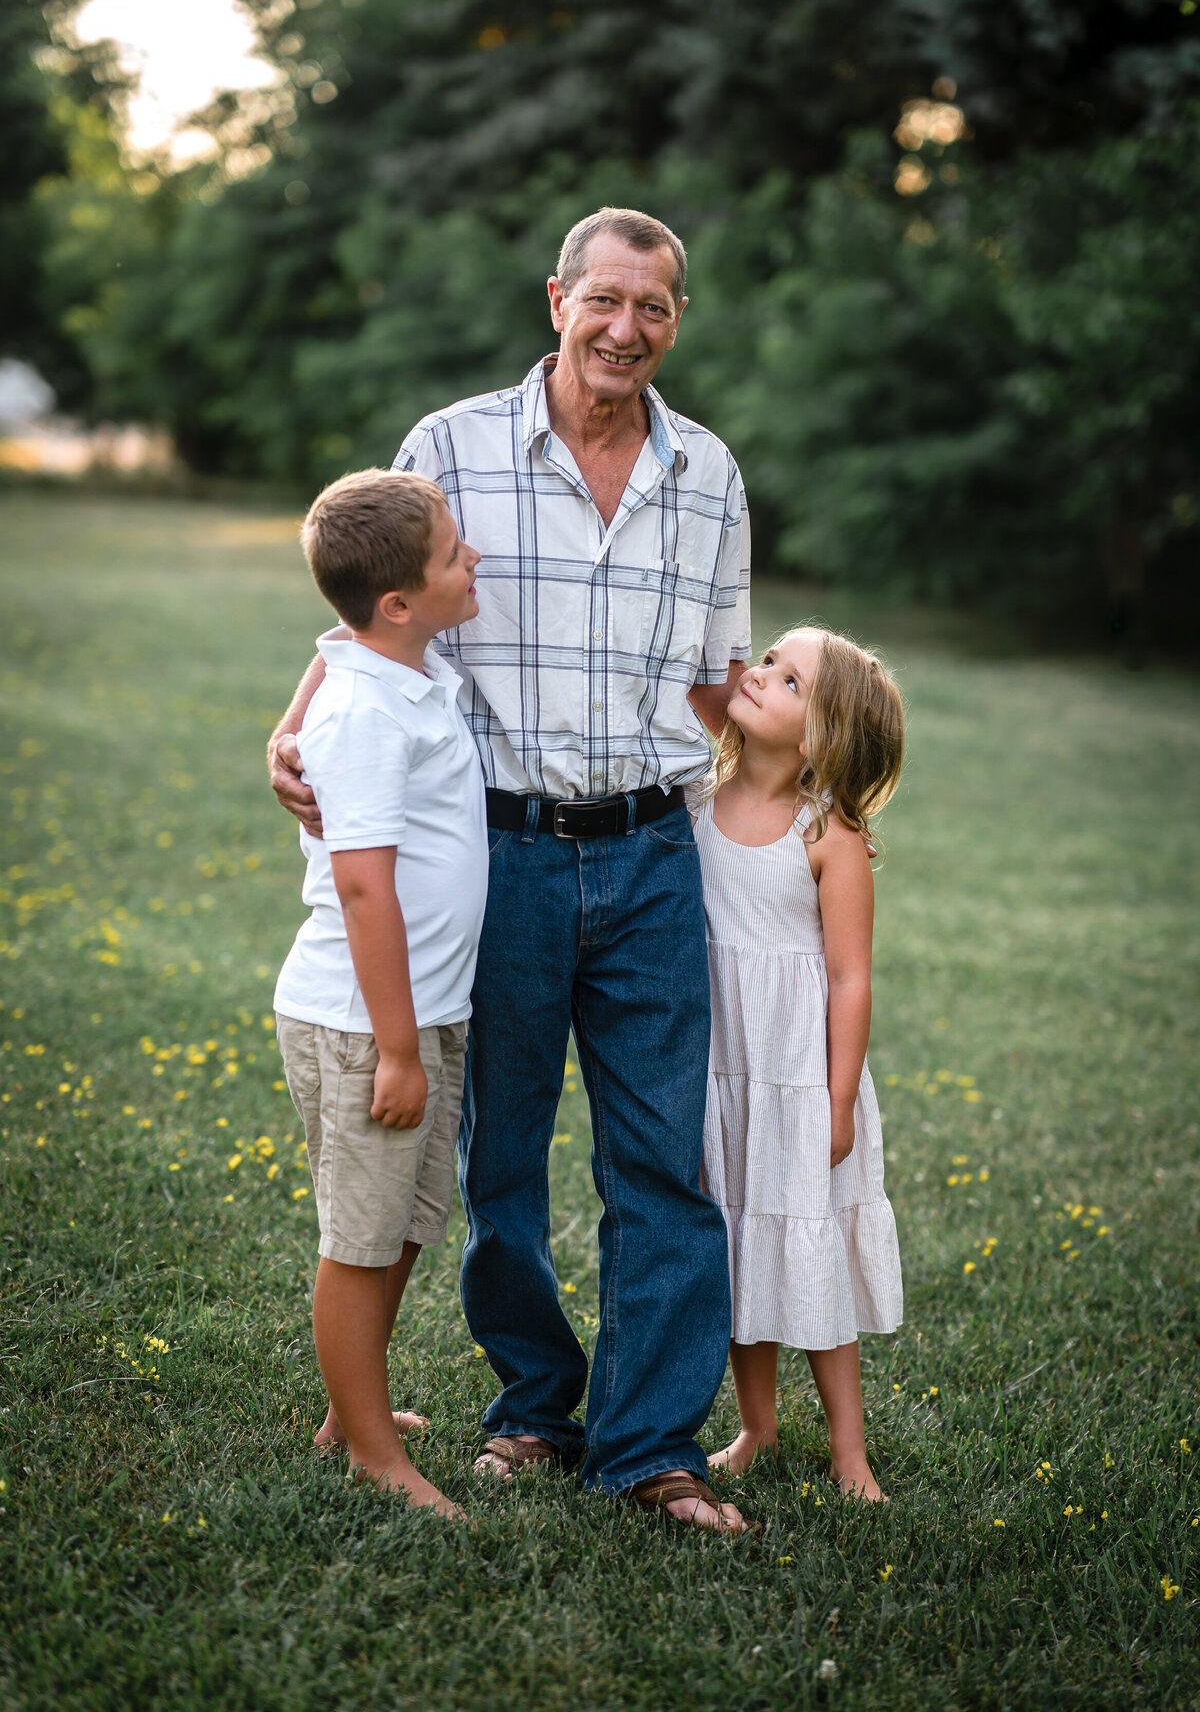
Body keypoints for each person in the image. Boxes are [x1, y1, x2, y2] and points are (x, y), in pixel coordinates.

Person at [269, 207, 753, 1531]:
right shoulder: (450, 446)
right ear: (557, 300)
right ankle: (535, 1403)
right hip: (501, 856)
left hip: (658, 852)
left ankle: (649, 1441)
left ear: (675, 319)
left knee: (664, 1159)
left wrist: (798, 814)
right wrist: (295, 712)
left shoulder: (709, 474)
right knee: (500, 1163)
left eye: (653, 307)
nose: (626, 330)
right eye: (605, 299)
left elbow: (720, 685)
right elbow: (368, 601)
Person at [273, 468, 485, 1518]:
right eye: (455, 554)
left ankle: (349, 1411)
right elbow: (363, 885)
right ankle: (370, 1453)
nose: (472, 560)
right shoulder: (362, 707)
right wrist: (398, 1048)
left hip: (423, 1014)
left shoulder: (398, 666)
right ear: (398, 600)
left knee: (402, 1222)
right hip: (365, 1024)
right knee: (359, 1239)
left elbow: (326, 646)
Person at [693, 625, 905, 1500]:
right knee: (742, 1241)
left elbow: (852, 978)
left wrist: (840, 1096)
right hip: (725, 1069)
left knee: (808, 1244)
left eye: (788, 679)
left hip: (802, 1076)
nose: (760, 673)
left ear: (820, 737)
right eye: (768, 658)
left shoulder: (829, 831)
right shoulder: (700, 797)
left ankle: (849, 1450)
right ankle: (756, 1427)